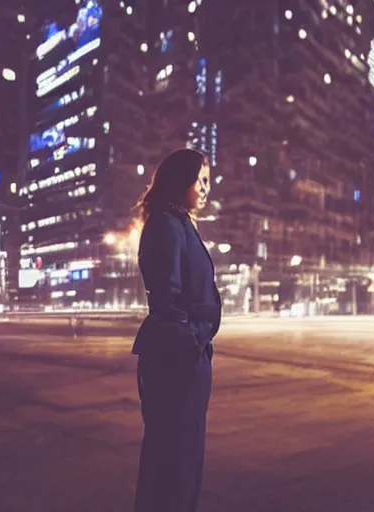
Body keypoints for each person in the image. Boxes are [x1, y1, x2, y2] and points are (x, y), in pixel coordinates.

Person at [132, 148, 221, 512]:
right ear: (179, 179)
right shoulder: (166, 225)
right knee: (172, 464)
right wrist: (190, 344)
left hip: (188, 357)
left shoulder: (179, 222)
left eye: (208, 182)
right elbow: (165, 300)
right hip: (176, 362)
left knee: (184, 463)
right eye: (200, 180)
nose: (205, 189)